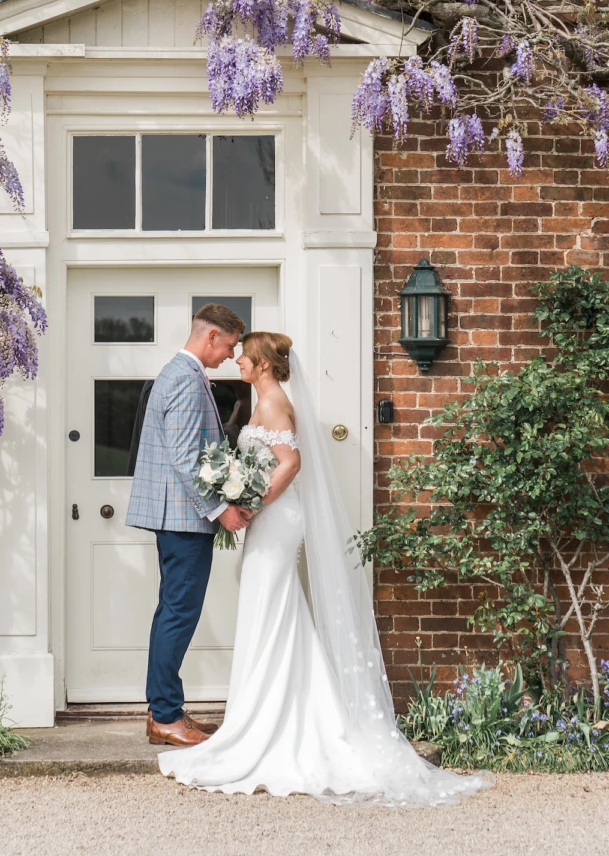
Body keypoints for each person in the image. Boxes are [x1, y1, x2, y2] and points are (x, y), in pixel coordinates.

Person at [157, 331, 493, 806]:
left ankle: (275, 723)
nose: (237, 362)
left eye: (244, 357)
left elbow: (289, 463)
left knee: (270, 608)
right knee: (275, 611)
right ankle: (280, 711)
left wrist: (252, 502)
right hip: (269, 520)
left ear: (264, 365)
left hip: (275, 519)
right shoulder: (266, 399)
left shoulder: (274, 404)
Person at [126, 302, 248, 749]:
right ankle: (164, 715)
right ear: (211, 336)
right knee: (178, 612)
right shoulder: (183, 378)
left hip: (180, 517)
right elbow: (184, 456)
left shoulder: (185, 375)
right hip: (182, 518)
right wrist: (221, 510)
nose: (231, 356)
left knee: (174, 611)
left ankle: (167, 709)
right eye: (229, 346)